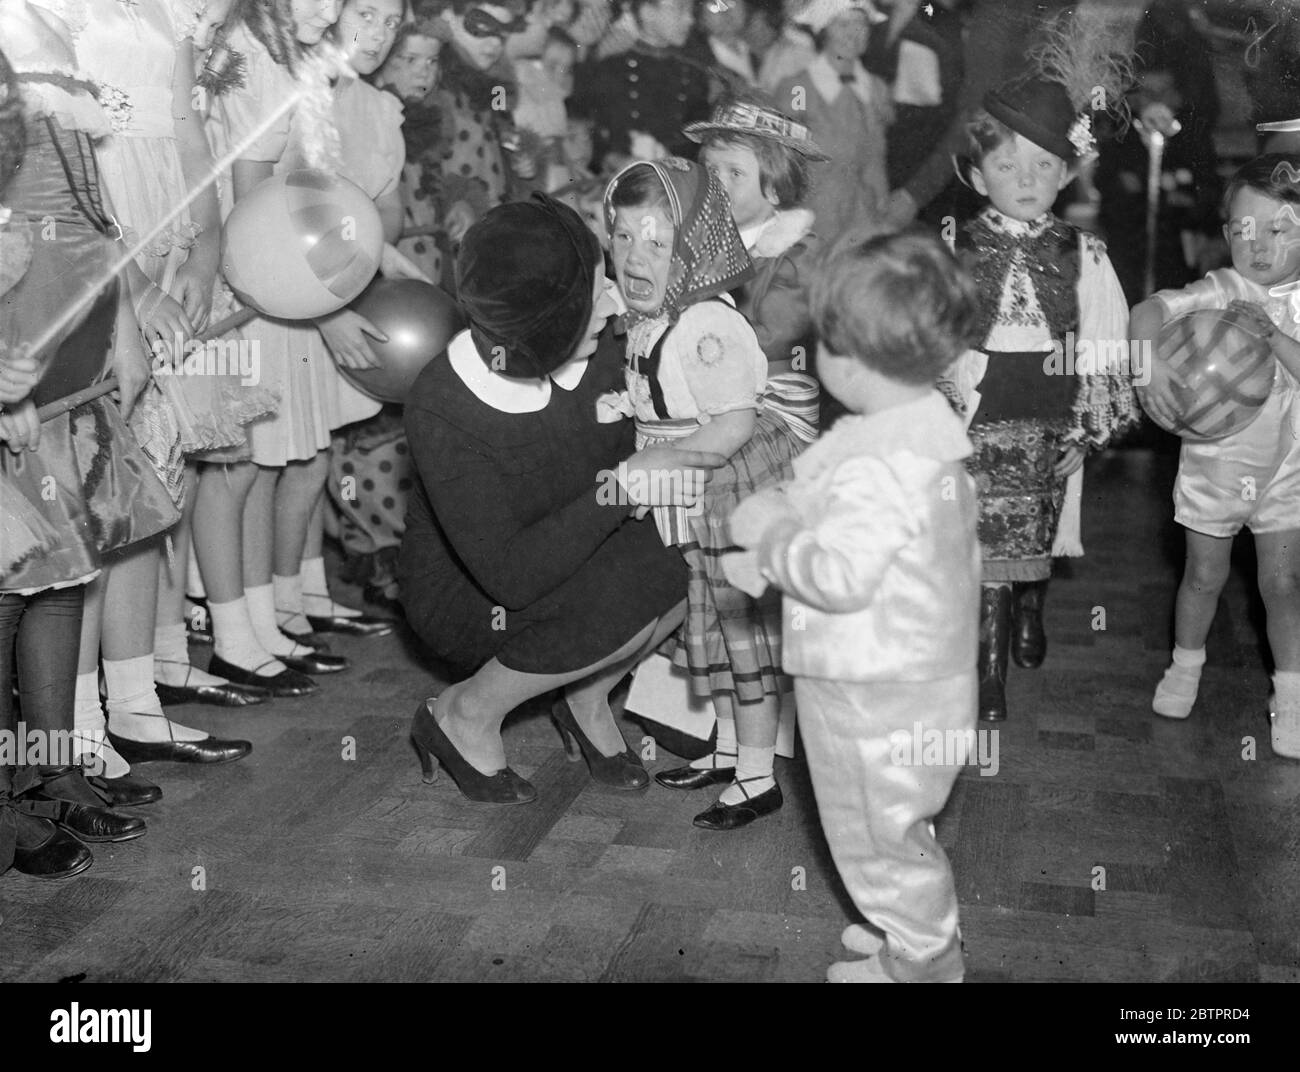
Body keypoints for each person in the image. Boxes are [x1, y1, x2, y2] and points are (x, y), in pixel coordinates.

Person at [399, 195, 723, 804]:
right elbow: (512, 577)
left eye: (605, 281)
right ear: (541, 329)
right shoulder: (443, 402)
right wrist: (625, 485)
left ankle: (588, 694)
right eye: (593, 296)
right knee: (622, 593)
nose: (613, 302)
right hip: (473, 595)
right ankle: (463, 714)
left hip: (581, 539)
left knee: (704, 539)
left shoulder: (603, 345)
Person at [724, 228, 981, 983]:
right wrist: (795, 501)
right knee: (899, 825)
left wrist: (770, 536)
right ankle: (915, 928)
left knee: (872, 830)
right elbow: (842, 494)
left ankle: (925, 957)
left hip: (870, 690)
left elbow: (838, 575)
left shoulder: (881, 464)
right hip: (918, 678)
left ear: (853, 361)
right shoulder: (920, 430)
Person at [0, 1, 190, 874]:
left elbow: (93, 218)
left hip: (69, 368)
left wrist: (126, 319)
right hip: (15, 375)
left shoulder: (53, 42)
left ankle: (52, 776)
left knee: (63, 577)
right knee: (9, 589)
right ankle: (10, 805)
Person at [605, 158, 815, 829]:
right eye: (624, 236)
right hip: (690, 481)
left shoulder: (706, 326)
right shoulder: (654, 312)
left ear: (695, 250)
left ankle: (758, 778)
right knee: (714, 630)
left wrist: (670, 456)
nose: (636, 256)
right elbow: (662, 392)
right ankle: (729, 751)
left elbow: (732, 423)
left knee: (741, 632)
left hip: (728, 484)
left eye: (658, 243)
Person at [939, 62, 1137, 722]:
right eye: (1007, 165)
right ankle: (986, 672)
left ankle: (1033, 608)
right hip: (980, 412)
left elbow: (1106, 347)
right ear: (974, 174)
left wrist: (1088, 428)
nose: (1026, 181)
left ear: (1067, 171)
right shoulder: (957, 255)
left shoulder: (1085, 256)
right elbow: (937, 345)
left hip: (1049, 413)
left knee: (1040, 528)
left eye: (1043, 166)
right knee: (989, 545)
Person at [1134, 154, 1300, 762]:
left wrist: (1276, 337)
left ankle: (1292, 694)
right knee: (1204, 576)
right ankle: (1185, 665)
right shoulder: (1221, 289)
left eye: (1278, 229)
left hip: (1287, 471)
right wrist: (1145, 359)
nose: (1258, 245)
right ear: (1227, 233)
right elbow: (1147, 310)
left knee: (1283, 584)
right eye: (1242, 229)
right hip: (1217, 465)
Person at [770, 0, 891, 242]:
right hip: (815, 230)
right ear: (824, 30)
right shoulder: (799, 89)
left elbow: (876, 163)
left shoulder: (876, 89)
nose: (853, 33)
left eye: (861, 23)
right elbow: (780, 162)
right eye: (843, 23)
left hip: (869, 227)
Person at [569, 0, 711, 170]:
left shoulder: (694, 74)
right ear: (647, 12)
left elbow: (701, 139)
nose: (690, 19)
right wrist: (611, 158)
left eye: (691, 10)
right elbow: (588, 130)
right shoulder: (610, 68)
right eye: (680, 8)